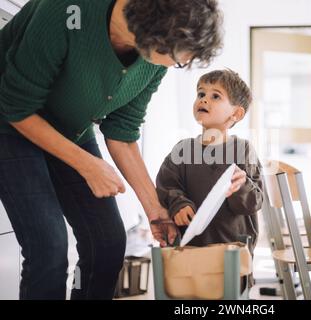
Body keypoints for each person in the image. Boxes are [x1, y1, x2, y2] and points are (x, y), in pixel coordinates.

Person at [0, 0, 224, 300]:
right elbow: (15, 105)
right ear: (151, 33)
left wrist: (155, 210)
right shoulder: (66, 10)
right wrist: (88, 165)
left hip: (71, 129)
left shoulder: (155, 58)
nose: (173, 66)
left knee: (107, 243)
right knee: (48, 245)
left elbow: (122, 130)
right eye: (178, 60)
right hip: (10, 123)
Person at [156, 69, 263, 255]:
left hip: (232, 250)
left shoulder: (242, 150)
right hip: (188, 249)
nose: (204, 99)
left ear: (236, 114)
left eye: (215, 96)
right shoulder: (183, 149)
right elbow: (166, 185)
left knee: (229, 284)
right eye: (201, 93)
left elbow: (253, 203)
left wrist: (241, 185)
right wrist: (178, 204)